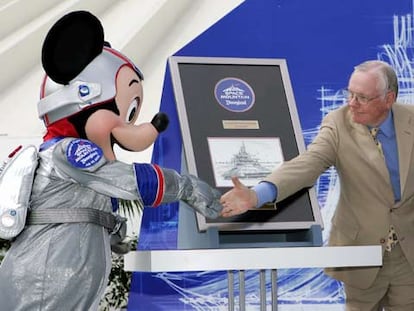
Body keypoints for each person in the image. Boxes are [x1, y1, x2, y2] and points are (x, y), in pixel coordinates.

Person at [0, 11, 222, 310]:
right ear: (83, 102)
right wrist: (187, 187)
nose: (126, 125)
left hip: (56, 278)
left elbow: (85, 206)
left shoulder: (63, 158)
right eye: (120, 112)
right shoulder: (70, 154)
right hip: (47, 282)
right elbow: (129, 181)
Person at [220, 60, 414, 310]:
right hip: (361, 252)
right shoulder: (338, 124)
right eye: (350, 93)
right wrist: (257, 195)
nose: (351, 103)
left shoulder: (410, 120)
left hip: (408, 255)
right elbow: (307, 165)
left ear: (388, 99)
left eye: (362, 97)